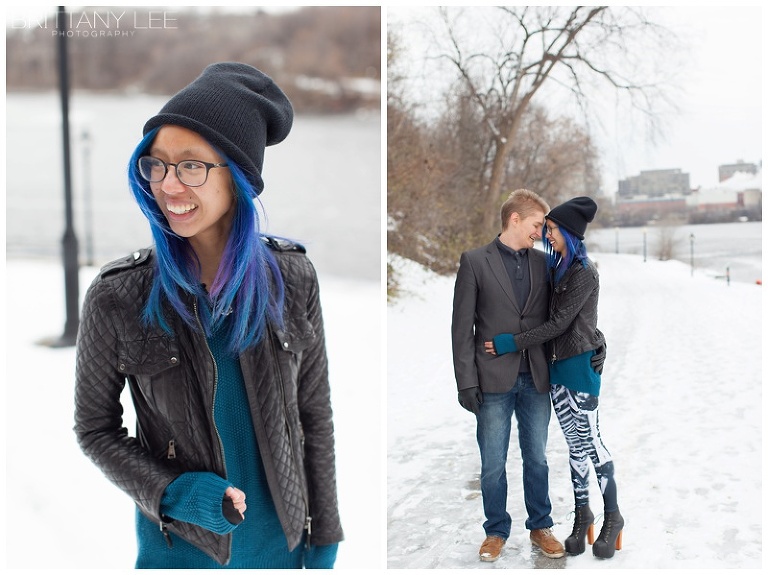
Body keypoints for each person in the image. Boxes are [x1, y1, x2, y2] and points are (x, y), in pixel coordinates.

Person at [73, 62, 344, 569]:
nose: (169, 186)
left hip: (282, 550)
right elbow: (95, 429)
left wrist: (325, 535)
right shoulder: (118, 295)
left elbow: (314, 416)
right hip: (180, 552)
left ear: (238, 177)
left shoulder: (293, 278)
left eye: (191, 166)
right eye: (157, 165)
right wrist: (177, 493)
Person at [484, 196, 622, 559]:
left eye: (553, 229)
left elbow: (561, 323)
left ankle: (613, 517)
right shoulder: (556, 267)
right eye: (545, 228)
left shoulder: (585, 271)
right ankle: (582, 515)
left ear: (570, 233)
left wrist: (511, 343)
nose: (547, 234)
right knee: (574, 447)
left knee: (592, 442)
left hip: (579, 370)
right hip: (555, 373)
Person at [451, 189, 565, 562]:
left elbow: (560, 318)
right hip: (492, 381)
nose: (540, 232)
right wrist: (466, 382)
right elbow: (461, 329)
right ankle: (495, 531)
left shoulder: (544, 263)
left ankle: (541, 526)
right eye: (536, 224)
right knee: (492, 464)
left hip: (536, 378)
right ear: (515, 219)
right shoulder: (474, 262)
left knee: (537, 459)